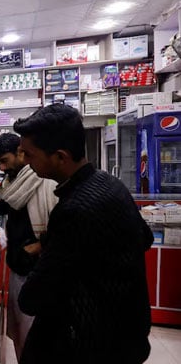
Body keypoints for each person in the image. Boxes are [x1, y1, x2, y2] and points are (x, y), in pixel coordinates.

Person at [13, 104, 153, 364]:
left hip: (89, 344)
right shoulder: (110, 183)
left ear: (60, 157)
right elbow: (145, 238)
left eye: (29, 154)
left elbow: (34, 296)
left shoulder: (73, 208)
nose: (25, 161)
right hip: (126, 334)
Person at [0, 133, 58, 361]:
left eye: (4, 161)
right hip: (20, 266)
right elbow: (7, 203)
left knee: (35, 334)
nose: (1, 168)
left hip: (39, 269)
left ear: (21, 153)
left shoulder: (44, 181)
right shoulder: (16, 181)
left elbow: (66, 226)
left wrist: (38, 246)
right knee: (21, 330)